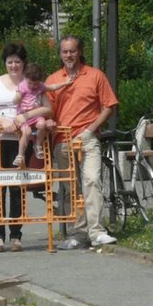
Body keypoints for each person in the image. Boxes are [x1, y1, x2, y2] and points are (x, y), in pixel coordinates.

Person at [45, 35, 119, 250]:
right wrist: (47, 121)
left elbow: (109, 105)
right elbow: (47, 109)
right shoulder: (52, 80)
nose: (69, 55)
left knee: (92, 180)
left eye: (72, 51)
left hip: (87, 139)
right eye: (64, 51)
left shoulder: (95, 76)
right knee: (71, 189)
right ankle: (79, 233)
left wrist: (90, 130)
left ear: (80, 52)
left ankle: (96, 231)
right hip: (62, 140)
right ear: (60, 54)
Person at [0, 42, 45, 252]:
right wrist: (3, 122)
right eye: (10, 62)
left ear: (24, 63)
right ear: (5, 63)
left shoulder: (31, 83)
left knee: (17, 185)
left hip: (20, 139)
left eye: (17, 61)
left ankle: (16, 235)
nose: (14, 65)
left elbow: (45, 106)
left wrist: (24, 117)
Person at [13, 61, 51, 168]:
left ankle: (38, 145)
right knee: (26, 132)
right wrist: (17, 98)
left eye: (36, 84)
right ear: (25, 78)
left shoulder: (40, 87)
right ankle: (20, 155)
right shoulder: (22, 87)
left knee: (42, 123)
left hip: (35, 117)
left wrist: (65, 83)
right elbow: (15, 100)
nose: (33, 86)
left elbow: (52, 87)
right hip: (23, 116)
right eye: (30, 83)